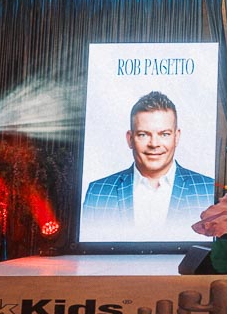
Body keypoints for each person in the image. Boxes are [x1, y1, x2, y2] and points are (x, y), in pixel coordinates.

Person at [82, 92, 214, 234]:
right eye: (143, 135)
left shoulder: (209, 190)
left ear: (176, 137)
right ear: (130, 139)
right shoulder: (98, 193)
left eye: (164, 134)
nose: (154, 144)